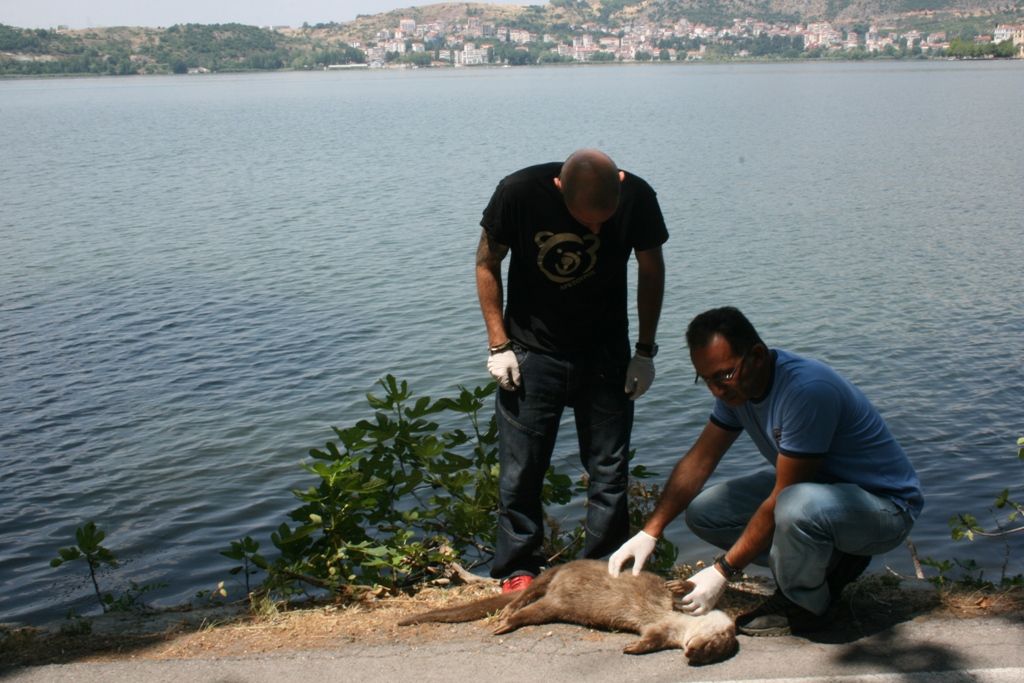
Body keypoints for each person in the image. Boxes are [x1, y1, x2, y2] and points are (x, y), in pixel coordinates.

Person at [608, 306, 923, 636]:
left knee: (795, 504)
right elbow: (699, 461)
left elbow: (783, 497)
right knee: (705, 512)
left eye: (724, 375)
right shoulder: (738, 392)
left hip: (884, 508)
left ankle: (805, 605)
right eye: (707, 380)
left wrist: (723, 570)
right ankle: (828, 566)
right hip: (821, 494)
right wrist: (650, 531)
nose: (717, 390)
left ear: (757, 355)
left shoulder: (805, 391)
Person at [476, 149, 669, 593]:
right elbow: (487, 263)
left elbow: (651, 268)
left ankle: (604, 572)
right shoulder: (518, 192)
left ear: (619, 185)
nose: (597, 230)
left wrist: (645, 351)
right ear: (560, 189)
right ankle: (518, 568)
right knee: (521, 470)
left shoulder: (637, 195)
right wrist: (498, 343)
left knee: (609, 470)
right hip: (531, 352)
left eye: (605, 220)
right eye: (587, 221)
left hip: (606, 355)